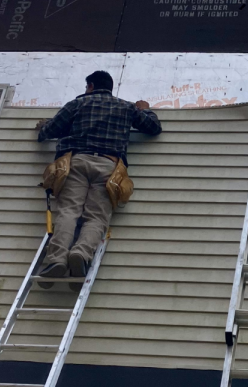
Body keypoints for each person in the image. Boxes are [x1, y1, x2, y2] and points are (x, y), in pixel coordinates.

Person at [35, 70, 161, 286]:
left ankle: (56, 259)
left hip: (75, 162)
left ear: (91, 86)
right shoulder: (126, 107)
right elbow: (154, 129)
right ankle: (81, 255)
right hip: (108, 166)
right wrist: (145, 110)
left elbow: (47, 132)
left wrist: (44, 125)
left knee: (69, 211)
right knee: (96, 216)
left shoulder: (77, 104)